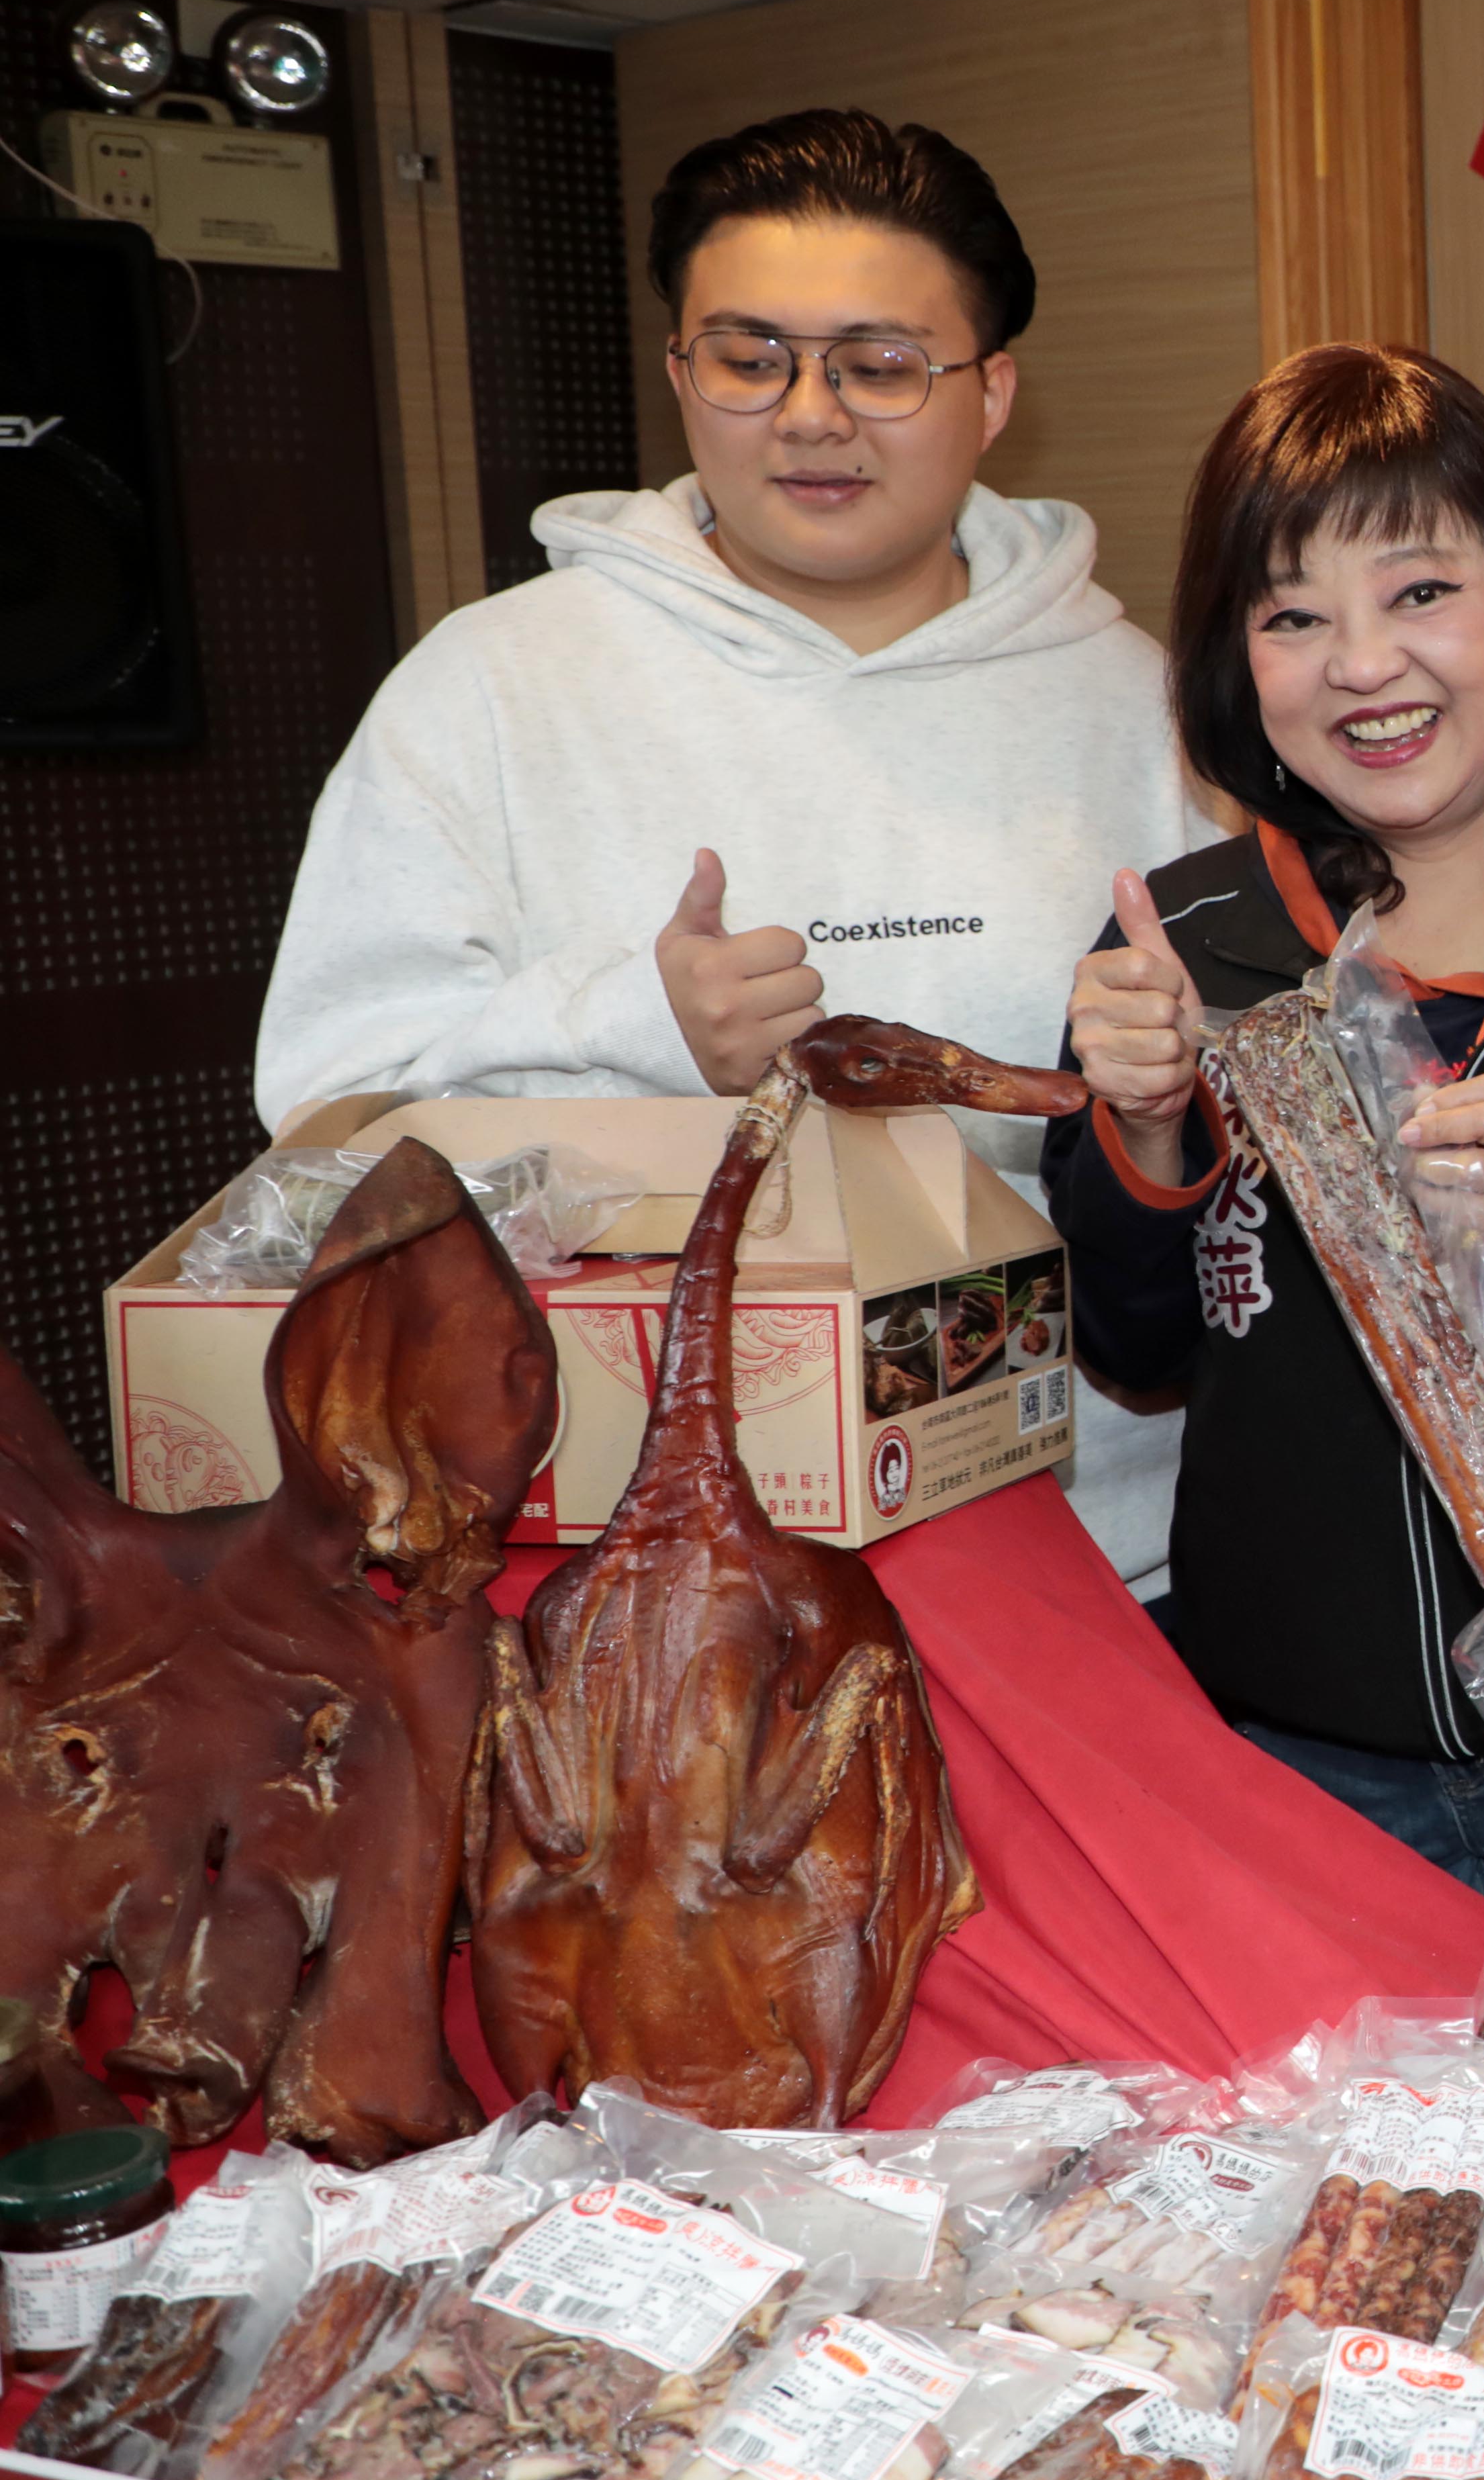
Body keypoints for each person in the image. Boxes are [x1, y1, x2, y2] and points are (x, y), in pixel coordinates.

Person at [255, 108, 1217, 1586]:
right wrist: (634, 1032)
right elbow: (323, 1124)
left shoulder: (1144, 704)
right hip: (630, 1580)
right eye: (750, 356)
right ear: (679, 373)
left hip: (1096, 1553)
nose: (810, 415)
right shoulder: (494, 685)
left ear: (993, 391)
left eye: (880, 364)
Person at [1045, 342, 1484, 1904]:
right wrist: (1144, 1129)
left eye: (1421, 592)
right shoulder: (1188, 941)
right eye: (1292, 617)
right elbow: (1133, 1348)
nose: (1362, 664)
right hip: (1297, 1770)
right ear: (1239, 669)